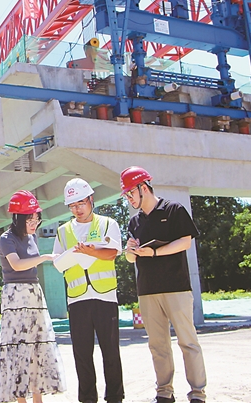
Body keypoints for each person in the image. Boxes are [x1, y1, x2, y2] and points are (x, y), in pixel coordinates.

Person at [121, 166, 206, 403]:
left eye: (130, 193)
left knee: (188, 342)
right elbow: (131, 259)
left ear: (143, 188)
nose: (129, 199)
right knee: (157, 345)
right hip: (147, 291)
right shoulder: (134, 222)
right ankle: (164, 392)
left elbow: (185, 242)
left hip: (176, 287)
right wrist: (130, 251)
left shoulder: (174, 210)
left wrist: (155, 253)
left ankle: (197, 393)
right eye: (126, 195)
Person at [52, 178, 125, 403]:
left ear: (91, 199)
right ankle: (87, 399)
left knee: (110, 351)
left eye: (81, 203)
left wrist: (90, 252)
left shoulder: (107, 224)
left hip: (105, 296)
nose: (77, 209)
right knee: (82, 354)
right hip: (77, 299)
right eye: (72, 206)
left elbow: (112, 253)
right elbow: (58, 261)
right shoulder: (63, 231)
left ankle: (115, 397)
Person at [0, 190, 66, 403]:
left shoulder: (32, 237)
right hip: (15, 296)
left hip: (34, 293)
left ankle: (38, 398)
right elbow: (17, 265)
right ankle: (21, 399)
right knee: (19, 346)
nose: (34, 223)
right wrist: (44, 257)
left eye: (37, 219)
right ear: (18, 218)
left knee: (38, 345)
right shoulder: (6, 239)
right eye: (30, 219)